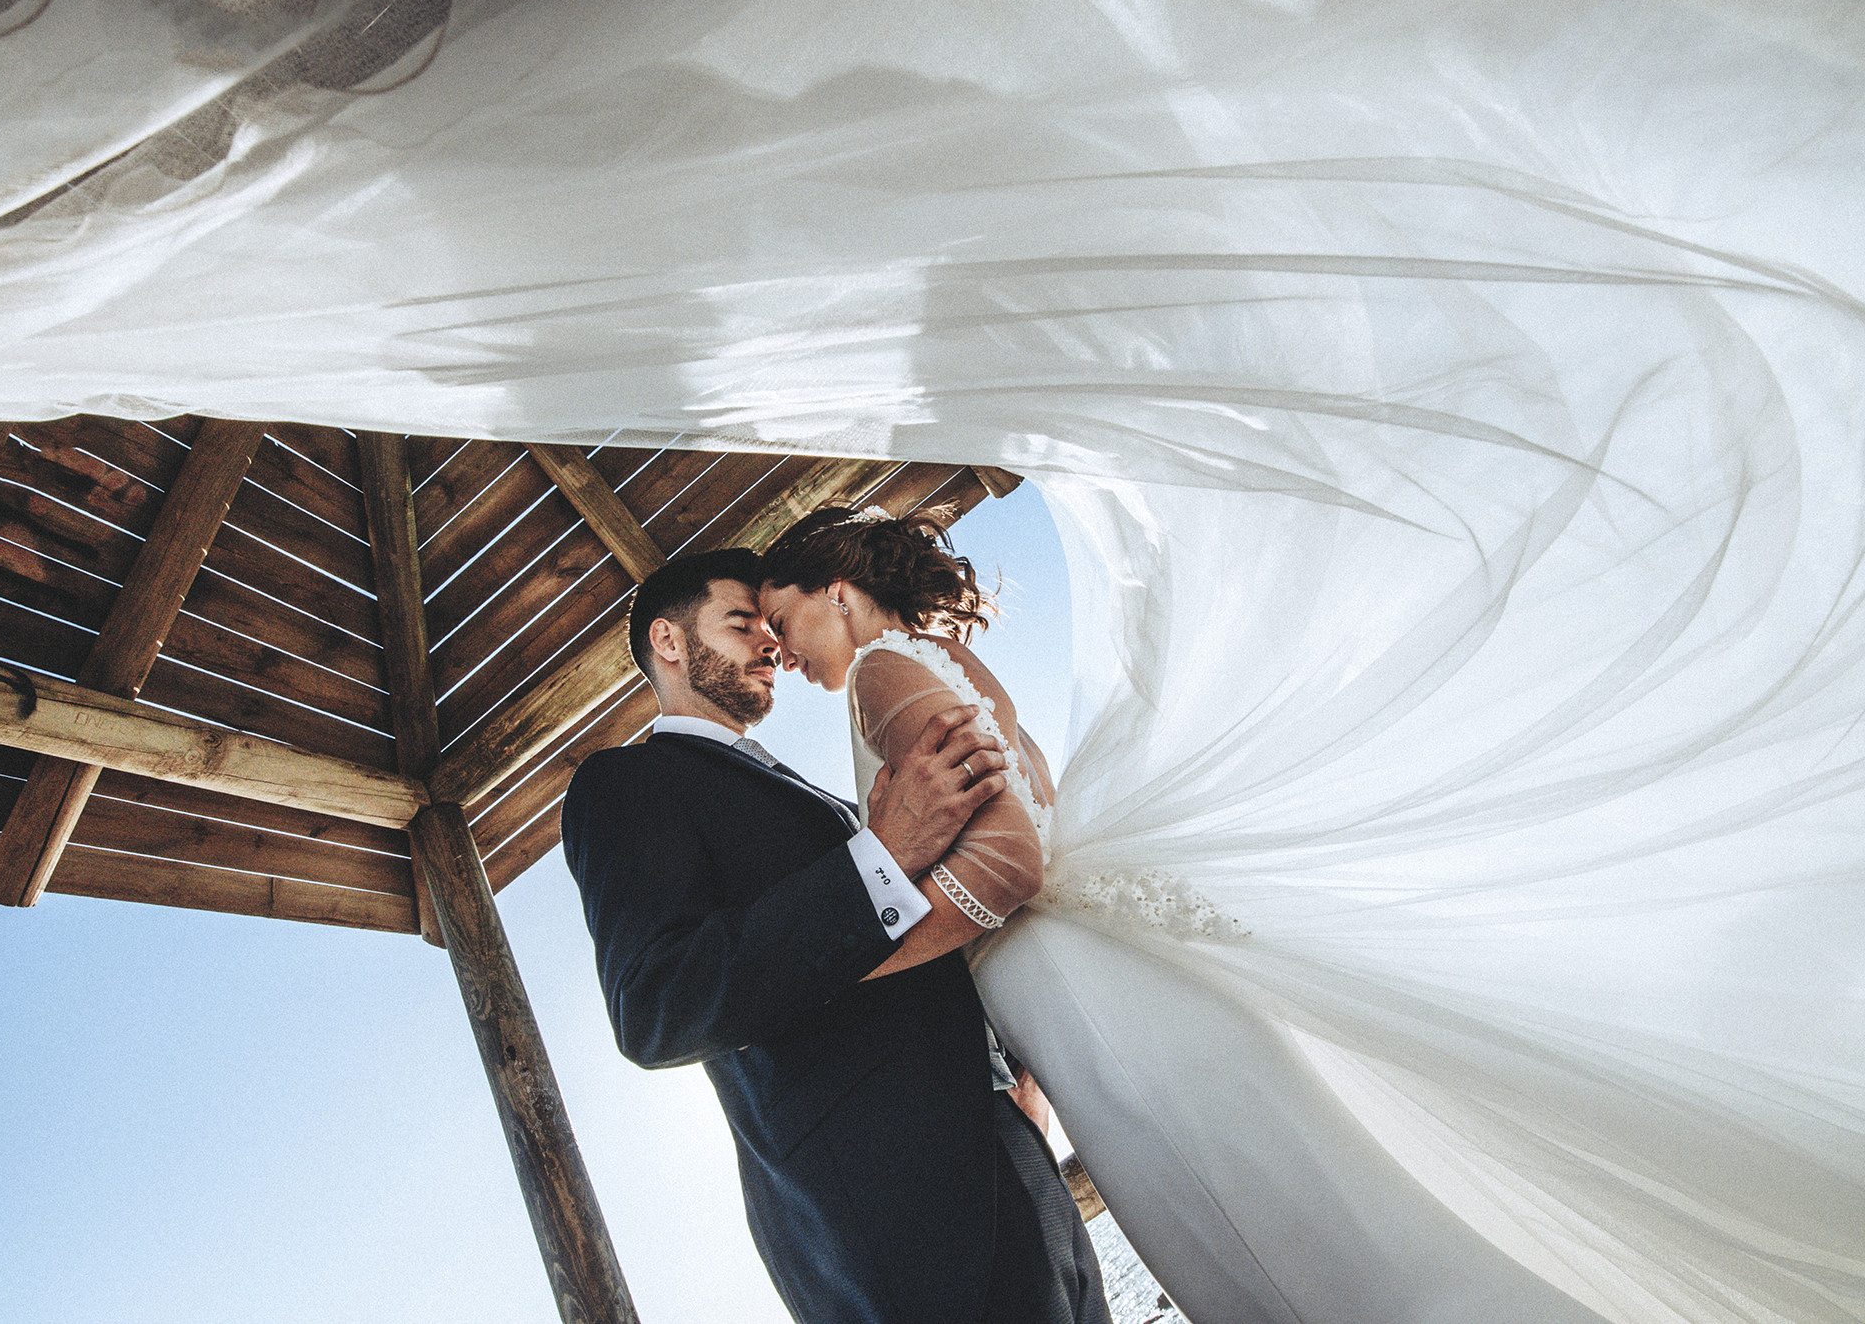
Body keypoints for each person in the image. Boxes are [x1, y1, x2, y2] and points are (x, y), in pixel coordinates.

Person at [759, 504, 1618, 1324]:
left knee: (1248, 1236)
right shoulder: (944, 656)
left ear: (835, 587)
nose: (780, 651)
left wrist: (853, 965)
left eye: (780, 618)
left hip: (1067, 985)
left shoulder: (878, 672)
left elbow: (1010, 861)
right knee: (1302, 1205)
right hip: (1093, 970)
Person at [559, 547, 1113, 1324]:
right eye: (742, 622)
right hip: (888, 1221)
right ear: (671, 642)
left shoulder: (816, 795)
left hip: (1004, 1151)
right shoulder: (622, 784)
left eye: (771, 625)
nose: (771, 646)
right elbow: (658, 1002)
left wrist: (1017, 1085)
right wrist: (880, 855)